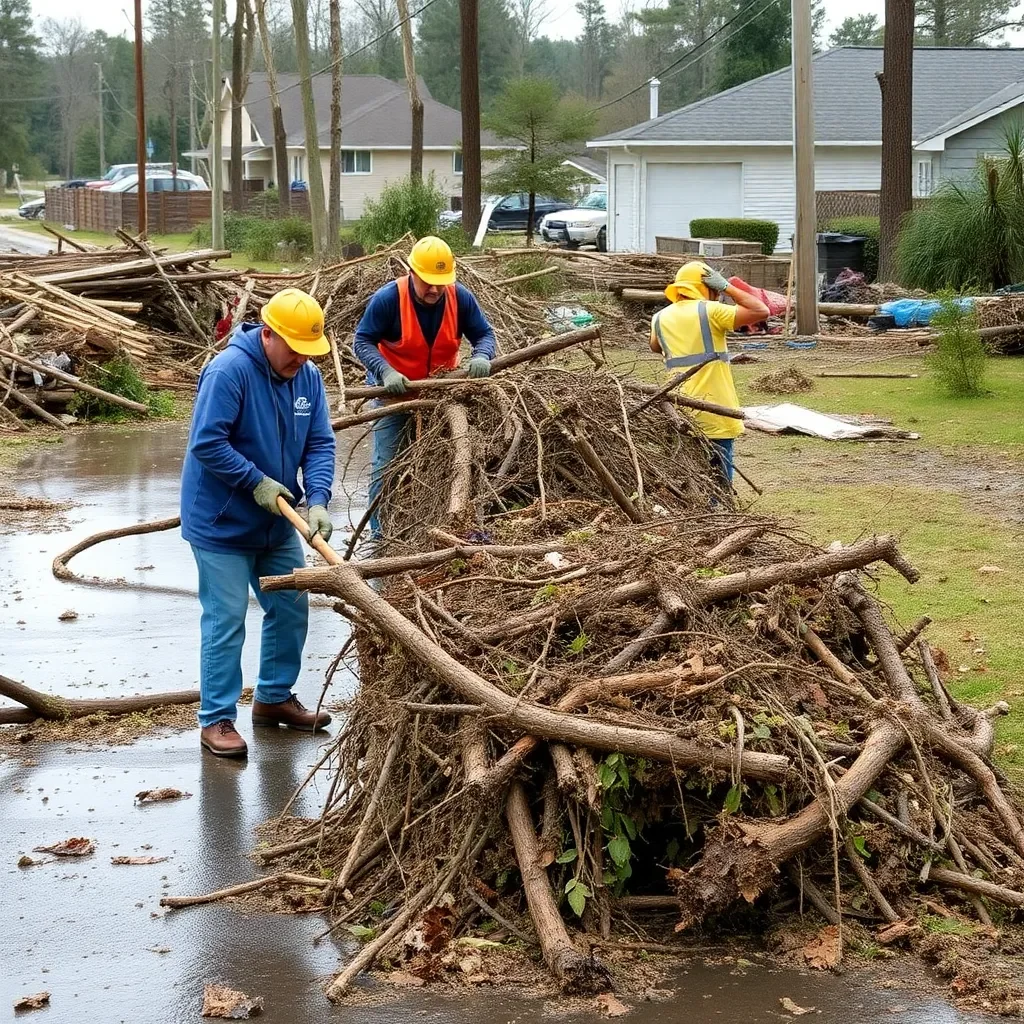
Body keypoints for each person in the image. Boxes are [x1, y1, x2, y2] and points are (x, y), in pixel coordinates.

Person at [180, 287, 337, 757]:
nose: (302, 359)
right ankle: (217, 720)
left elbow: (321, 444)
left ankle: (273, 699)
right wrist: (257, 482)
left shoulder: (306, 377)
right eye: (295, 348)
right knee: (227, 619)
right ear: (268, 334)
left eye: (310, 351)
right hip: (222, 521)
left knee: (291, 607)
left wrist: (319, 500)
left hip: (275, 521)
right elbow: (208, 442)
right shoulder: (229, 371)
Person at [353, 235, 497, 537]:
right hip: (395, 393)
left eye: (440, 282)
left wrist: (482, 354)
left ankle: (434, 527)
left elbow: (484, 334)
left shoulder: (460, 298)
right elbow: (362, 340)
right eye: (427, 281)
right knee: (387, 465)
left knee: (445, 462)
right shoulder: (389, 299)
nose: (434, 289)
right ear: (412, 272)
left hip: (441, 395)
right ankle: (380, 536)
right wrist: (384, 371)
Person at [649, 261, 768, 489]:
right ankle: (720, 516)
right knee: (719, 480)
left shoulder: (659, 318)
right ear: (707, 286)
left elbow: (656, 346)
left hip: (678, 408)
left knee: (688, 475)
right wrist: (728, 288)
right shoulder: (710, 311)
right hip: (714, 408)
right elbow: (760, 310)